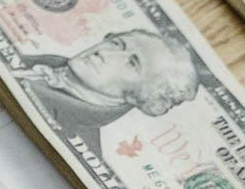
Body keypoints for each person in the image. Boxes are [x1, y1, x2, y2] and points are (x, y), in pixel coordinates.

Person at [14, 29, 199, 157]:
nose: (105, 53)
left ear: (143, 95)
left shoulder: (75, 145)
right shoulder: (33, 62)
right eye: (116, 44)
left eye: (132, 63)